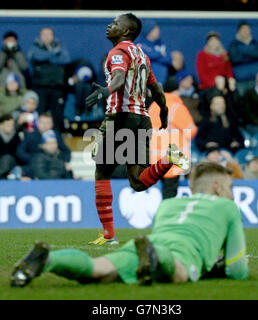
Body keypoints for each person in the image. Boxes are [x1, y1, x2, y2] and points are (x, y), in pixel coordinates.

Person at [10, 161, 249, 287]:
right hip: (175, 252)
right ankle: (156, 258)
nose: (232, 195)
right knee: (179, 270)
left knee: (97, 270)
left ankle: (49, 259)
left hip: (144, 245)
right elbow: (238, 271)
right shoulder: (227, 207)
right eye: (230, 188)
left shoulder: (168, 205)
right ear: (217, 187)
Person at [84, 13, 189, 245]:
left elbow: (119, 78)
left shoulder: (117, 52)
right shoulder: (142, 55)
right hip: (141, 118)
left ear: (126, 32)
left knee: (102, 171)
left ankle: (109, 235)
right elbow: (156, 87)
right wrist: (161, 109)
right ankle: (168, 159)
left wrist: (105, 91)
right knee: (137, 182)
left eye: (116, 23)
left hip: (121, 116)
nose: (110, 24)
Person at [148, 90, 198, 199]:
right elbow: (191, 131)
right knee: (170, 193)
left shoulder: (153, 106)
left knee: (164, 191)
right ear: (174, 91)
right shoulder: (177, 108)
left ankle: (164, 212)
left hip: (155, 158)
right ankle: (169, 213)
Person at [28, 27, 70, 132]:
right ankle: (38, 135)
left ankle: (57, 136)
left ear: (53, 36)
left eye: (49, 34)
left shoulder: (59, 46)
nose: (47, 37)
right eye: (44, 35)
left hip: (56, 87)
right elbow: (37, 57)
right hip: (40, 87)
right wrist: (54, 54)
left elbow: (66, 59)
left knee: (57, 113)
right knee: (39, 112)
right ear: (40, 36)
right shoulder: (35, 46)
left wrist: (48, 58)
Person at [16, 112, 71, 179]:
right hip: (34, 165)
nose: (45, 125)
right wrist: (32, 159)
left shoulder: (56, 135)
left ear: (52, 124)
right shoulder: (31, 135)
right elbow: (20, 151)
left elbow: (66, 151)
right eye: (42, 122)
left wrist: (66, 161)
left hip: (52, 165)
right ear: (38, 123)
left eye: (48, 123)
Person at [228, 20, 258, 96]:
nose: (246, 31)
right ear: (239, 31)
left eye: (248, 29)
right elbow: (235, 58)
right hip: (241, 81)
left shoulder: (255, 43)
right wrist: (252, 56)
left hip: (256, 80)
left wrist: (243, 53)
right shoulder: (233, 45)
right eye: (244, 29)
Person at [135, 20, 172, 85]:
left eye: (157, 29)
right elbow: (150, 55)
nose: (158, 31)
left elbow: (168, 59)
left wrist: (155, 56)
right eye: (154, 29)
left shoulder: (160, 44)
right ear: (148, 31)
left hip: (163, 80)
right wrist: (160, 54)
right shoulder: (140, 44)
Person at [0, 114, 20, 179]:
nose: (11, 127)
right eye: (8, 125)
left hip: (11, 164)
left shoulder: (16, 137)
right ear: (1, 125)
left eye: (12, 125)